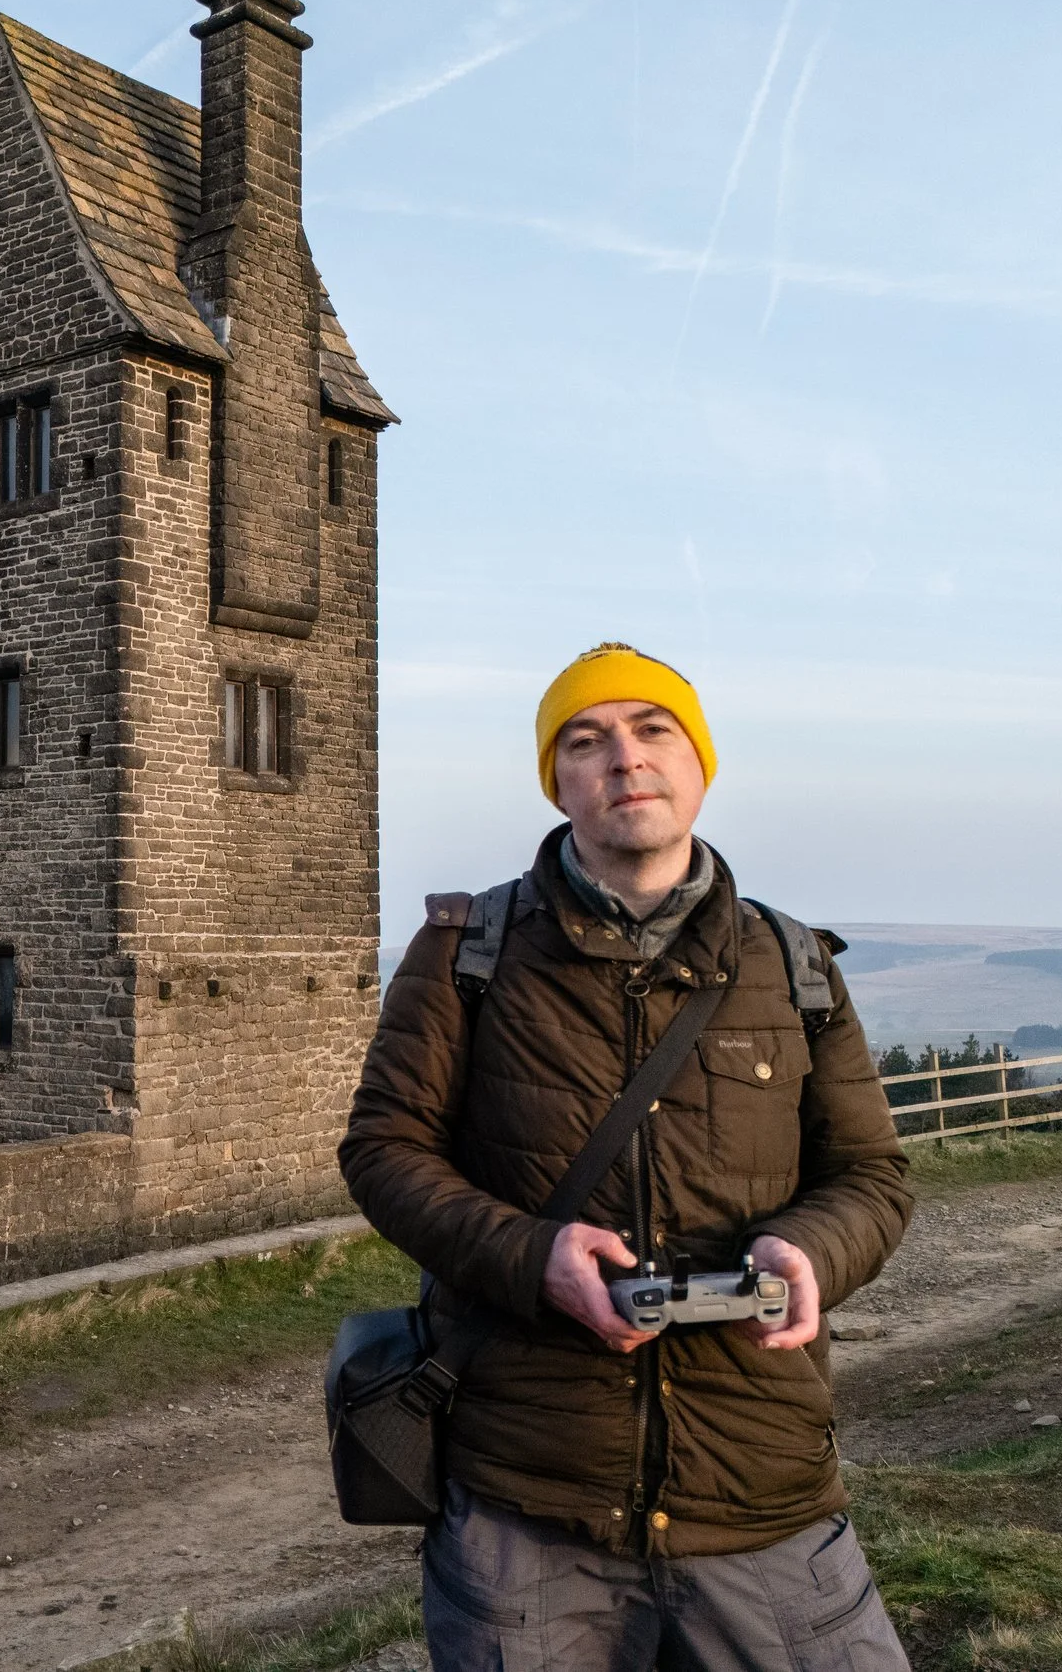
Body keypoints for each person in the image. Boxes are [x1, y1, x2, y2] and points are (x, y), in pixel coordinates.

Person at [340, 642, 914, 1671]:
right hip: (528, 1508)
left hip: (759, 1488)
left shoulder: (792, 965)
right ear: (556, 781)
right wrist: (533, 1259)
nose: (624, 759)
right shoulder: (467, 951)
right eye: (585, 740)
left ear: (699, 765)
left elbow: (871, 1175)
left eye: (654, 731)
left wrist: (806, 1254)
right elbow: (385, 1150)